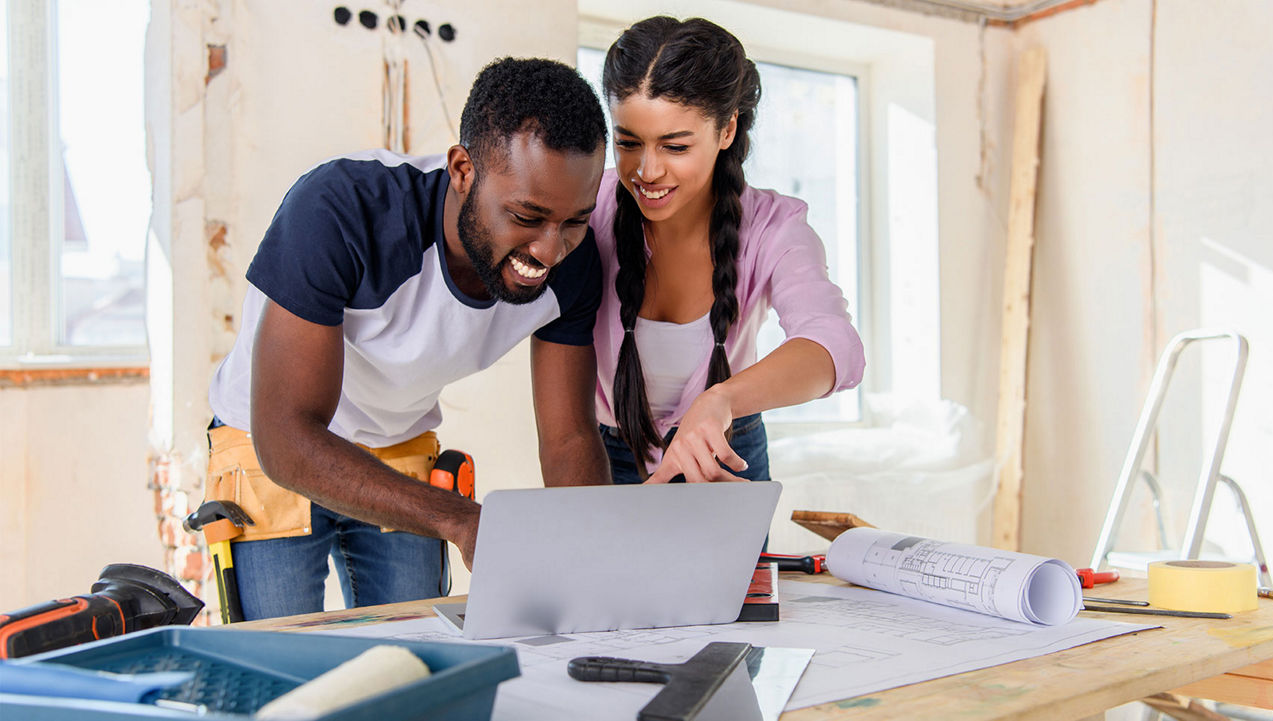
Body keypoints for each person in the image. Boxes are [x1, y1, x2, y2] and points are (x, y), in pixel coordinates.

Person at [203, 58, 610, 621]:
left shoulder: (575, 263)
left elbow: (568, 438)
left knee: (415, 659)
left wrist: (596, 563)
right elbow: (288, 435)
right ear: (463, 170)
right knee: (279, 667)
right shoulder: (340, 210)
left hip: (398, 441)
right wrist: (461, 519)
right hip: (269, 441)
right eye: (526, 215)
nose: (549, 250)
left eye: (574, 220)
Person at [591, 17, 865, 485]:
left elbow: (836, 348)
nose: (647, 170)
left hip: (725, 451)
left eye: (675, 145)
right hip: (607, 452)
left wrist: (722, 400)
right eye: (628, 143)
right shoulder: (589, 207)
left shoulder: (775, 227)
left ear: (727, 130)